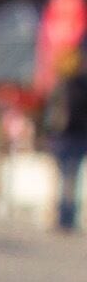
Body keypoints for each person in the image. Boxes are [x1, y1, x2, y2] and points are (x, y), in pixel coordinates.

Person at [45, 52, 87, 232]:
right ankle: (66, 215)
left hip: (62, 136)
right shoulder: (79, 86)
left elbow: (51, 113)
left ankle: (65, 215)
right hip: (74, 135)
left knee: (64, 176)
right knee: (70, 176)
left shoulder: (60, 86)